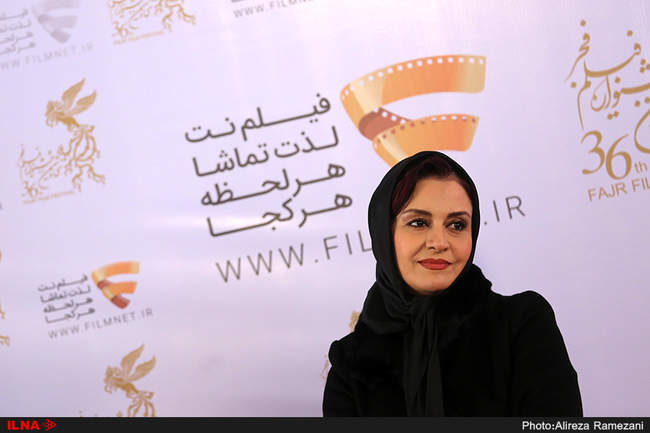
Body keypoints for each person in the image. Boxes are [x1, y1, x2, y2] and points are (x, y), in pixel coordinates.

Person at [322, 150, 582, 416]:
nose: (439, 242)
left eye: (457, 225)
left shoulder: (521, 325)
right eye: (419, 222)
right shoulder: (351, 363)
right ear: (384, 234)